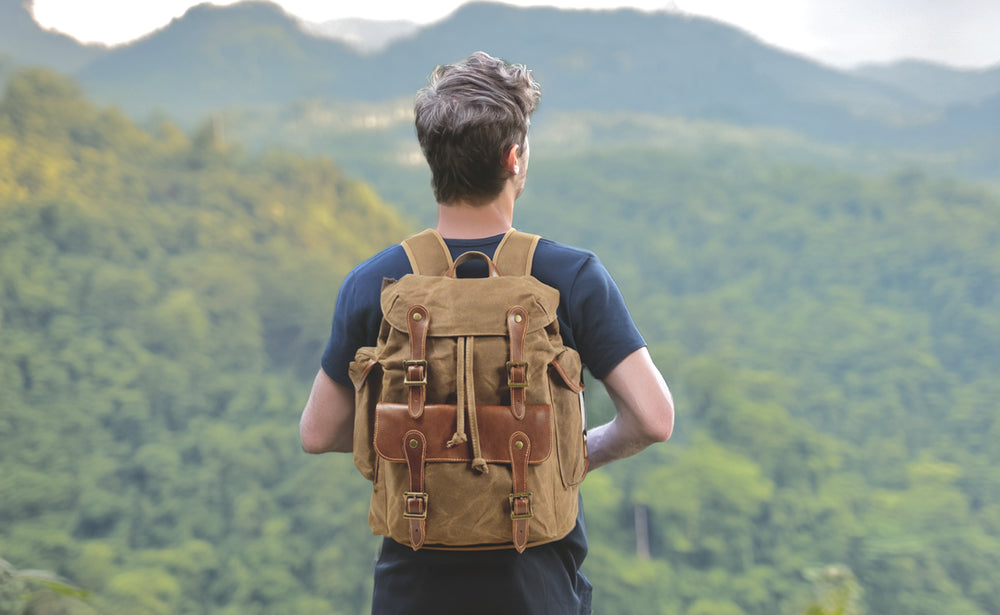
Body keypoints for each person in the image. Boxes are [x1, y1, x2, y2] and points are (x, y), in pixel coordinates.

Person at [299, 51, 674, 615]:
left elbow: (319, 432)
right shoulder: (571, 276)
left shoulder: (375, 282)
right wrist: (571, 452)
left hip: (411, 592)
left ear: (432, 160)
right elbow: (653, 419)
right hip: (538, 589)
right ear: (513, 157)